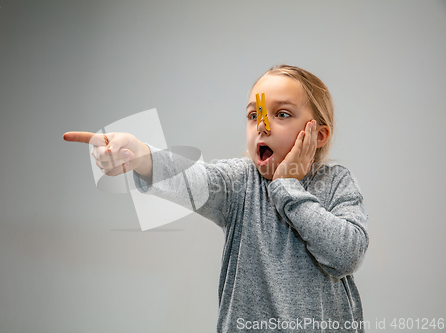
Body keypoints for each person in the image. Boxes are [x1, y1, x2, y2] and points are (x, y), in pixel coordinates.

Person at [63, 64, 369, 332]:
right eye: (254, 115)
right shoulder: (239, 183)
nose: (262, 125)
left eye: (282, 114)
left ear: (319, 135)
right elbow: (192, 178)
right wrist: (139, 154)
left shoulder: (336, 183)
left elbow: (345, 255)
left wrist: (287, 186)